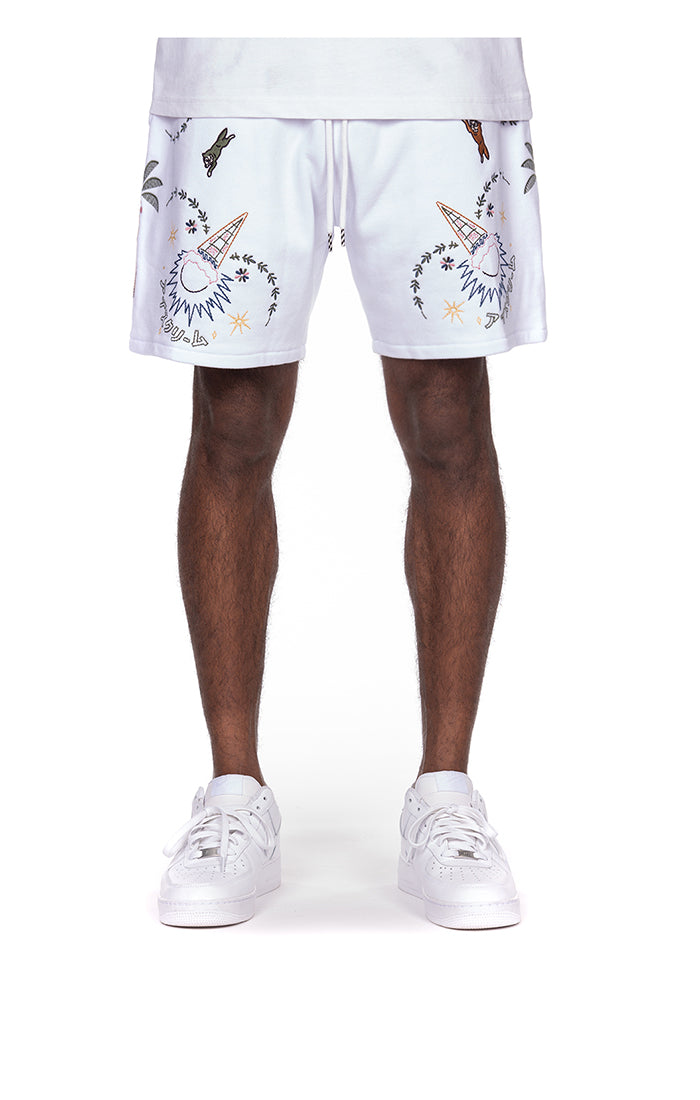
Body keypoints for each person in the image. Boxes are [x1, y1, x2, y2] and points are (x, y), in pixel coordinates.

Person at [130, 37, 547, 929]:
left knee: (448, 411)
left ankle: (445, 792)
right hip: (240, 67)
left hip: (436, 68)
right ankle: (235, 792)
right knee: (234, 414)